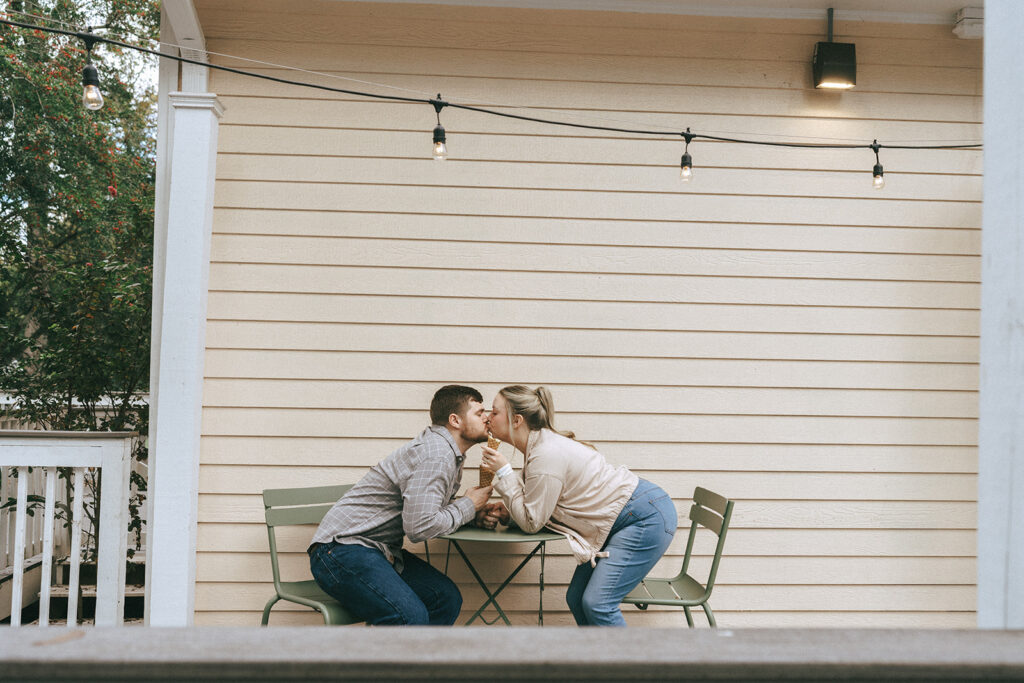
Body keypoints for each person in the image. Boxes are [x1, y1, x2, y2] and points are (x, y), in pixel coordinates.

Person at [480, 385, 677, 626]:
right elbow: (542, 508)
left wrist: (503, 471)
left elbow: (532, 522)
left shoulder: (546, 454)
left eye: (494, 412)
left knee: (598, 604)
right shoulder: (539, 448)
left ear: (517, 420)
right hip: (629, 514)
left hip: (644, 517)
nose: (488, 418)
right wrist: (508, 513)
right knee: (577, 598)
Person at [308, 385, 494, 625]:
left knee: (444, 598)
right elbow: (420, 527)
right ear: (455, 420)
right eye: (479, 413)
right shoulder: (437, 454)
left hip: (376, 551)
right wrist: (468, 505)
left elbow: (428, 509)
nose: (487, 417)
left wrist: (473, 512)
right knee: (409, 617)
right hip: (341, 551)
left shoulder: (444, 451)